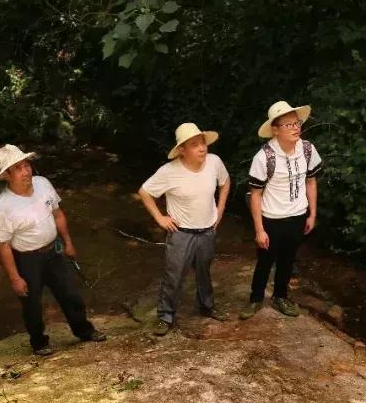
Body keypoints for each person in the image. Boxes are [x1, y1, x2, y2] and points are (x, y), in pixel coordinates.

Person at [0, 144, 106, 354]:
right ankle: (39, 343)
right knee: (32, 304)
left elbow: (58, 214)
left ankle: (84, 330)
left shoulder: (43, 184)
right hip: (26, 260)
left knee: (70, 294)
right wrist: (15, 278)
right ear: (7, 175)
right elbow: (4, 246)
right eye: (18, 168)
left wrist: (68, 242)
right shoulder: (3, 207)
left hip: (54, 252)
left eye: (26, 165)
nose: (26, 171)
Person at [138, 123, 231, 336]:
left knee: (204, 271)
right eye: (195, 145)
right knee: (174, 274)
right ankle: (165, 316)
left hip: (207, 229)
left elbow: (225, 183)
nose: (202, 148)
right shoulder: (168, 172)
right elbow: (144, 192)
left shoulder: (214, 162)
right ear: (182, 150)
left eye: (203, 143)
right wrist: (159, 218)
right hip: (181, 233)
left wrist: (220, 209)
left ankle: (207, 306)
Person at [240, 100, 324, 319]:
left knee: (288, 259)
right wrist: (259, 230)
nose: (296, 127)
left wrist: (312, 213)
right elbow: (255, 194)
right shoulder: (264, 157)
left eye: (296, 123)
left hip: (298, 215)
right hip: (272, 217)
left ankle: (280, 297)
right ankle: (255, 299)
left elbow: (311, 181)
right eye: (288, 125)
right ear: (275, 130)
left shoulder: (307, 149)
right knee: (265, 261)